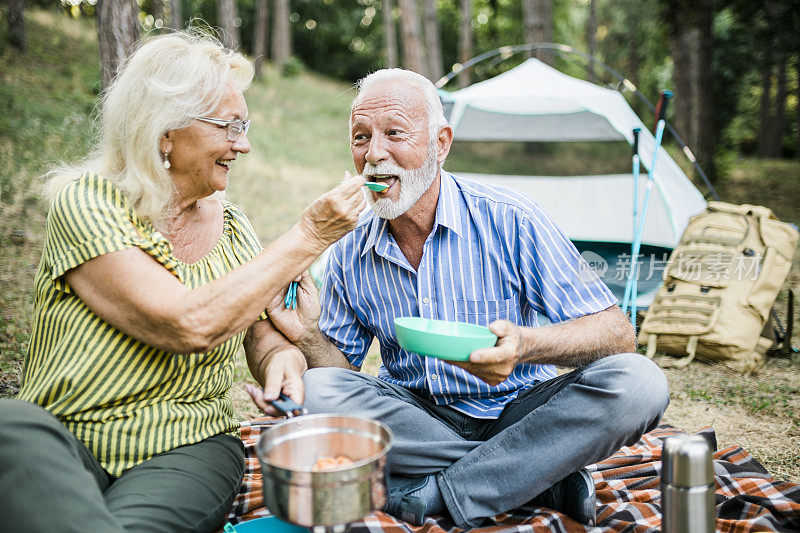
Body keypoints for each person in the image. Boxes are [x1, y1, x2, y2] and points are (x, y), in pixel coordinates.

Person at [258, 68, 670, 529]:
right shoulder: (350, 247)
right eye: (360, 137)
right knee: (315, 392)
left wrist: (527, 346)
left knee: (640, 383)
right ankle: (541, 477)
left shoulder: (512, 218)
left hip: (521, 413)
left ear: (441, 144)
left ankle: (440, 493)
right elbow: (341, 375)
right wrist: (307, 334)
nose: (374, 154)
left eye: (395, 133)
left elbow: (617, 335)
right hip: (416, 419)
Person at [0, 32, 365, 533]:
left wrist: (282, 360)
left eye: (245, 124)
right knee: (8, 426)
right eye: (229, 126)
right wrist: (309, 235)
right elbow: (185, 323)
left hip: (187, 447)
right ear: (165, 132)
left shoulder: (233, 226)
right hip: (66, 433)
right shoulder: (88, 203)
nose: (245, 143)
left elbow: (260, 331)